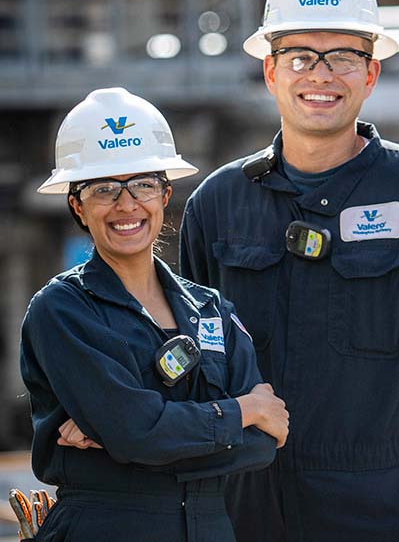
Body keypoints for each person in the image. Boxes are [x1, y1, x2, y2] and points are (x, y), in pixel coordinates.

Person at [180, 0, 399, 542]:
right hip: (247, 514)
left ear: (371, 74)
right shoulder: (217, 204)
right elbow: (192, 362)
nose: (321, 75)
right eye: (300, 57)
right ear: (271, 72)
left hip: (394, 512)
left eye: (343, 56)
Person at [20, 87, 289, 542]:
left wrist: (135, 437)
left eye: (142, 184)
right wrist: (242, 411)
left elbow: (262, 445)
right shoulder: (63, 310)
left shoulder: (211, 309)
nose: (126, 204)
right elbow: (137, 433)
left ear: (165, 195)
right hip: (106, 525)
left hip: (209, 527)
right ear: (77, 205)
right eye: (103, 188)